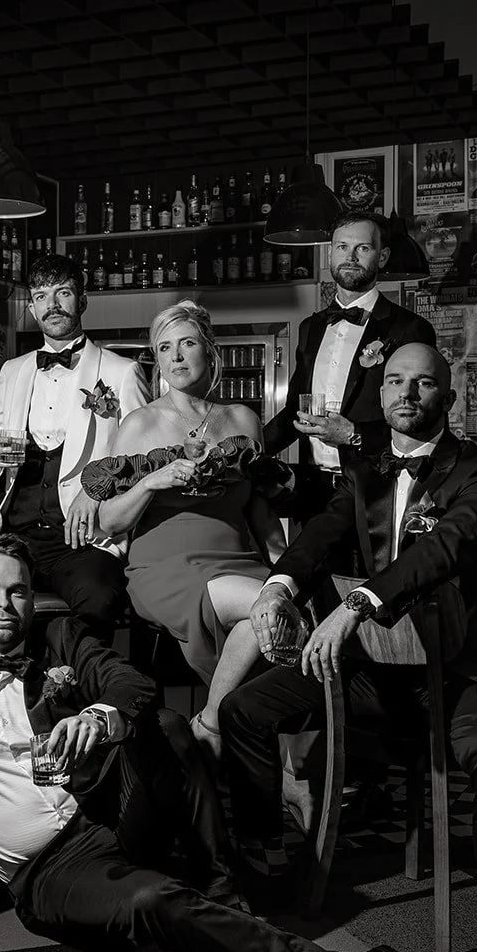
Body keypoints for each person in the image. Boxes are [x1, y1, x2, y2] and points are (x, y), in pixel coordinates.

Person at [0, 534, 469, 952]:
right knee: (151, 901)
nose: (5, 604)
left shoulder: (59, 637)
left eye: (17, 591)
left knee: (165, 725)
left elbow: (132, 685)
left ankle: (224, 894)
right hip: (48, 870)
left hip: (104, 811)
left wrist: (99, 717)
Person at [220, 343, 477, 952]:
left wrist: (357, 604)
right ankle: (266, 869)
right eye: (395, 381)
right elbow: (320, 535)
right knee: (244, 710)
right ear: (380, 394)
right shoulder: (364, 470)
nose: (406, 393)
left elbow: (443, 548)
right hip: (378, 670)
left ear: (449, 397)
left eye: (423, 382)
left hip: (466, 669)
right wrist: (277, 587)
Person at [80, 300, 285, 755]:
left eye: (187, 343)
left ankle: (222, 730)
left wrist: (286, 569)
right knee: (268, 609)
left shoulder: (243, 419)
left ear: (209, 350)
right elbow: (110, 521)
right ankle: (225, 733)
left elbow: (259, 509)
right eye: (164, 347)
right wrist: (150, 482)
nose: (175, 356)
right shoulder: (140, 423)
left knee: (282, 616)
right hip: (167, 567)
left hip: (238, 559)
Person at [0, 252, 150, 642]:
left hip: (86, 539)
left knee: (98, 599)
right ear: (32, 309)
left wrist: (97, 489)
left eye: (62, 293)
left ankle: (75, 675)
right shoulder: (13, 371)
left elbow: (143, 456)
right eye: (40, 296)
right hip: (15, 535)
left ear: (81, 300)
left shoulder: (121, 372)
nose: (51, 305)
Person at [264, 211, 436, 524]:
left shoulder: (409, 329)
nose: (351, 257)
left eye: (363, 248)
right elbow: (293, 414)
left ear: (382, 257)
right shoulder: (310, 328)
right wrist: (244, 450)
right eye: (342, 247)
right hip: (311, 492)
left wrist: (354, 434)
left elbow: (422, 419)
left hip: (377, 492)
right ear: (330, 253)